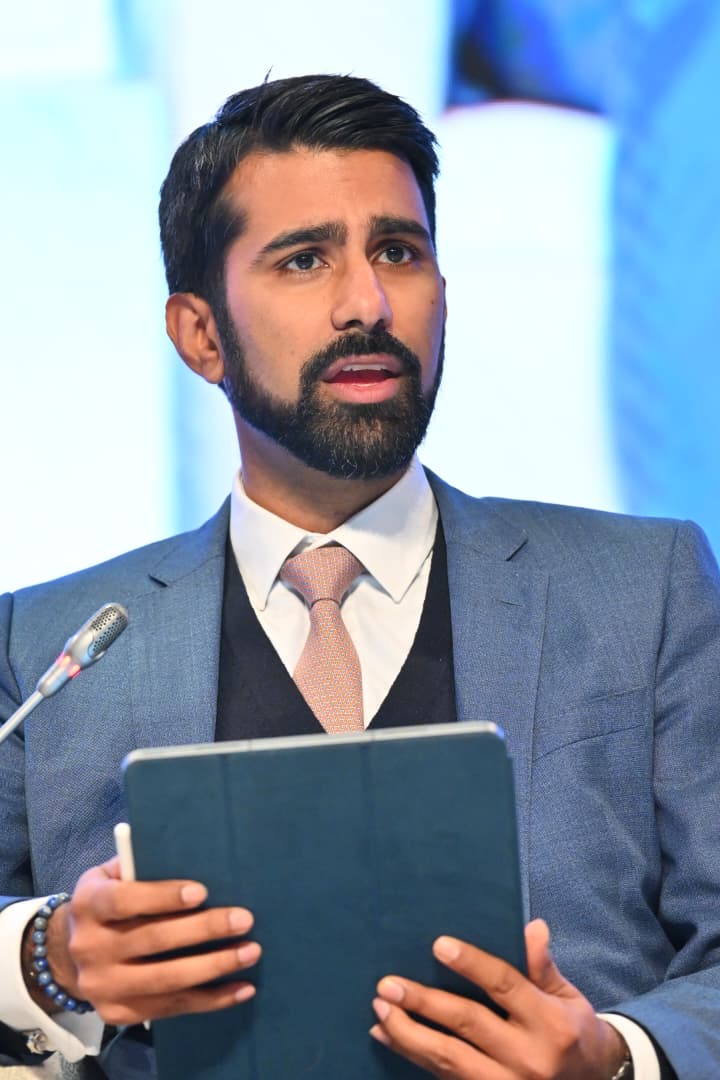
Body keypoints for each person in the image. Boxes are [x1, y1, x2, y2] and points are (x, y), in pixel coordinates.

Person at [1, 74, 719, 1080]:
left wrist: (618, 1057)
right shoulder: (50, 646)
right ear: (200, 334)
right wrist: (49, 958)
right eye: (304, 260)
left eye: (398, 252)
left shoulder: (647, 590)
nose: (367, 304)